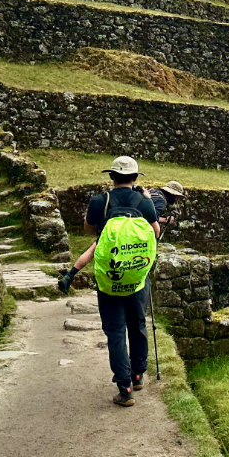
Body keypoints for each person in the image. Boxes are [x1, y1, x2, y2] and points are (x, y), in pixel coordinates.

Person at [57, 157, 158, 406]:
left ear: (112, 177)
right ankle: (137, 375)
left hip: (109, 278)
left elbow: (89, 230)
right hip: (136, 277)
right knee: (137, 325)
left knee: (115, 330)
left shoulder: (100, 201)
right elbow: (155, 232)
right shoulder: (144, 202)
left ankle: (124, 388)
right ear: (135, 178)